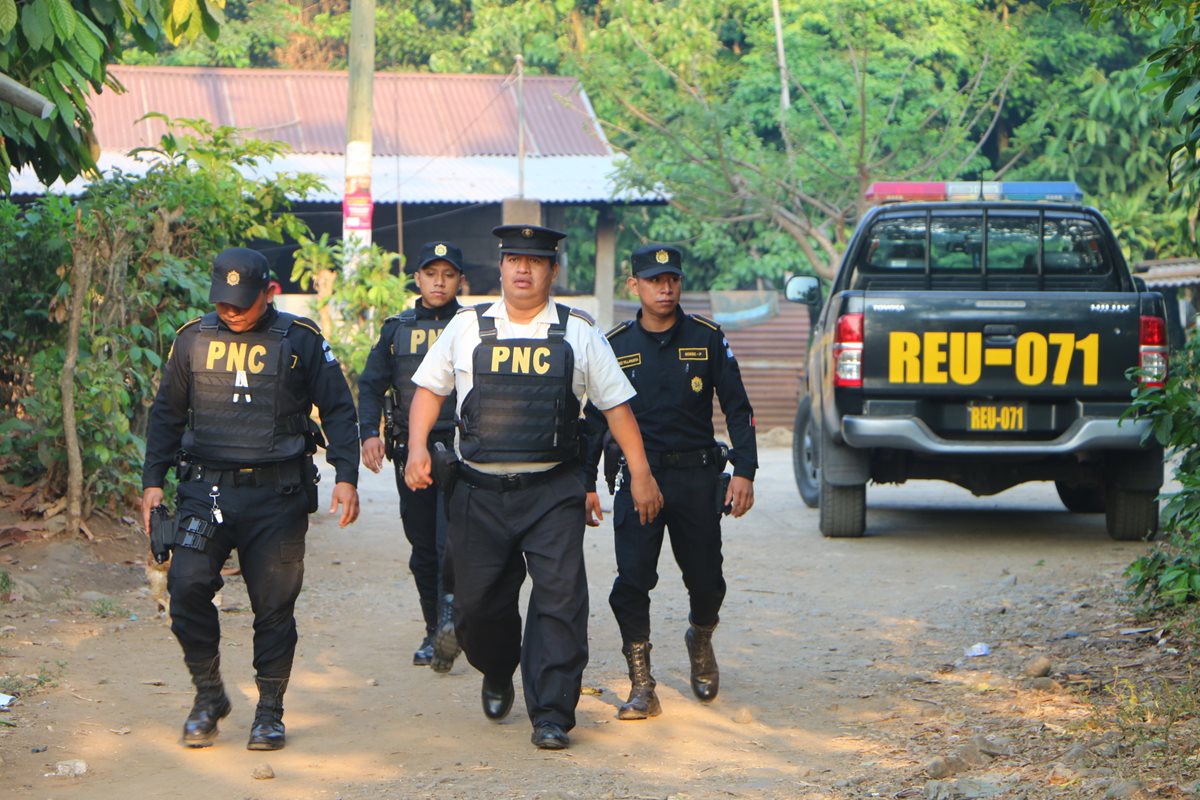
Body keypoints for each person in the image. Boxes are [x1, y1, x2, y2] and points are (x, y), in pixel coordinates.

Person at [404, 224, 664, 751]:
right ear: (500, 268)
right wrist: (414, 449)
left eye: (535, 261)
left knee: (561, 603)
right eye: (514, 259)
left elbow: (615, 405)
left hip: (552, 492)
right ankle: (498, 669)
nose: (523, 269)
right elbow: (429, 391)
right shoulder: (466, 326)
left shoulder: (578, 332)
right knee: (478, 610)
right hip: (478, 493)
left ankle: (551, 712)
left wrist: (640, 471)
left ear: (552, 271)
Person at [140, 247, 360, 751]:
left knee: (274, 606)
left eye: (243, 302)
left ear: (270, 292)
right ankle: (209, 694)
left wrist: (345, 475)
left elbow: (340, 410)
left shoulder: (300, 341)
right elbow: (167, 415)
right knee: (187, 584)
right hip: (205, 490)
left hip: (276, 495)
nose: (231, 311)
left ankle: (269, 712)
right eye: (223, 301)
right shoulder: (192, 340)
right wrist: (153, 480)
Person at [583, 244, 757, 721]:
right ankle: (642, 684)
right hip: (639, 480)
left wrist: (744, 470)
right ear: (634, 285)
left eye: (672, 279)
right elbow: (594, 421)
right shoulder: (614, 344)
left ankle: (700, 637)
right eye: (655, 280)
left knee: (707, 582)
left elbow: (738, 409)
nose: (665, 287)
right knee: (632, 582)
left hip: (698, 478)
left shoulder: (707, 336)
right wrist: (586, 483)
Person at [358, 241, 464, 671]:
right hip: (410, 452)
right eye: (431, 273)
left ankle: (452, 624)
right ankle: (433, 628)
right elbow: (370, 385)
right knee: (423, 548)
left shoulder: (475, 326)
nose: (439, 282)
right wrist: (369, 433)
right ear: (417, 279)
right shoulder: (396, 328)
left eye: (448, 274)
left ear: (460, 280)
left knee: (449, 545)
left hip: (461, 452)